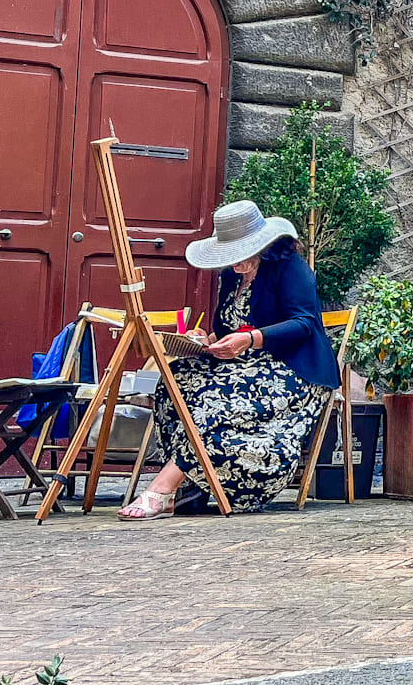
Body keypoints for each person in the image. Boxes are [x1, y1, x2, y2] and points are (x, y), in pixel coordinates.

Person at [119, 200, 340, 518]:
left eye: (239, 254)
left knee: (215, 395)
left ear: (261, 246)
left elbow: (305, 323)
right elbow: (225, 327)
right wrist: (206, 340)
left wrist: (250, 339)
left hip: (292, 371)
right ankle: (194, 484)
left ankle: (162, 489)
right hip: (243, 366)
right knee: (176, 380)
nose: (233, 263)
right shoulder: (232, 276)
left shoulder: (289, 267)